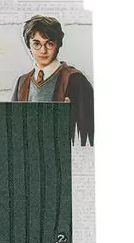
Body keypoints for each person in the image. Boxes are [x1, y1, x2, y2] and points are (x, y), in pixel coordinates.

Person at [12, 15, 94, 146]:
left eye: (49, 44)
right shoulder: (22, 82)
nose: (43, 50)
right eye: (37, 44)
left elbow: (88, 135)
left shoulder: (76, 80)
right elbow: (13, 128)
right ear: (29, 46)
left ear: (58, 45)